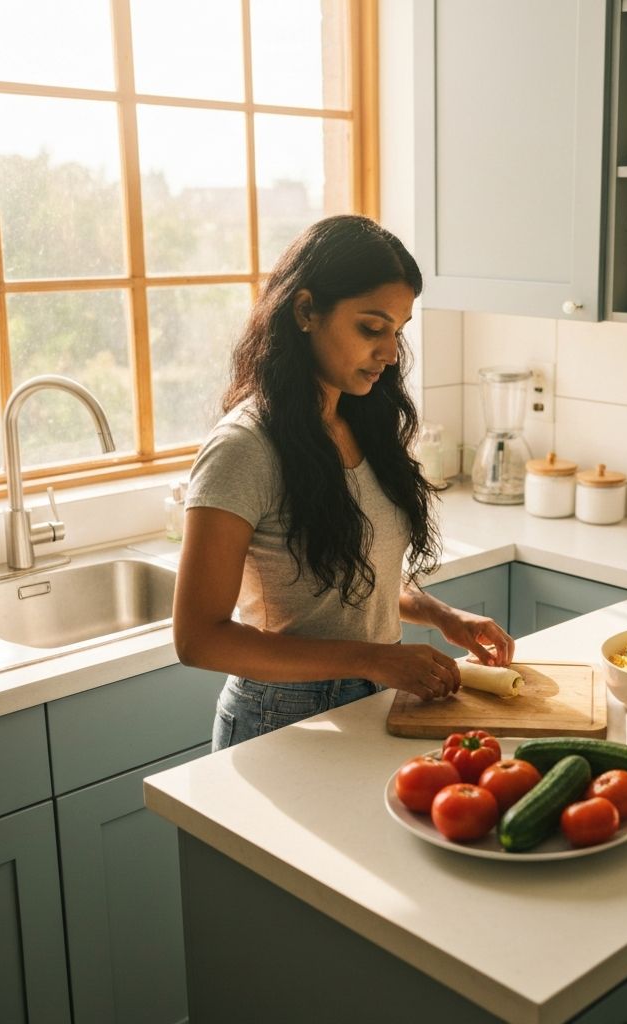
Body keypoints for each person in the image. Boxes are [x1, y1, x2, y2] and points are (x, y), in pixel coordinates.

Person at [173, 215, 515, 750]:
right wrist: (376, 658)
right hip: (280, 718)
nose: (390, 353)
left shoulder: (361, 420)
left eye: (398, 331)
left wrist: (437, 614)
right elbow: (198, 639)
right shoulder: (244, 448)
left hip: (376, 698)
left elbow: (344, 578)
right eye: (371, 328)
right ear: (306, 311)